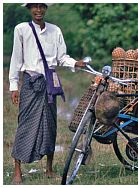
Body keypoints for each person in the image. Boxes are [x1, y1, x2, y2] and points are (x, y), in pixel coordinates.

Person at [9, 3, 86, 184]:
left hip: (50, 83)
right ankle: (17, 171)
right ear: (29, 9)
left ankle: (49, 169)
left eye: (42, 6)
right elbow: (16, 58)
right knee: (25, 124)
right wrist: (14, 85)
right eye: (34, 6)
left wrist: (75, 63)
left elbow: (61, 57)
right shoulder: (21, 29)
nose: (38, 10)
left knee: (50, 124)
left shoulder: (55, 30)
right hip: (31, 82)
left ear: (46, 9)